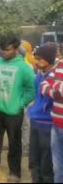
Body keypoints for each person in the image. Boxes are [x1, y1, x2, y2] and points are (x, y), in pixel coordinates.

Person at [0, 36, 35, 183]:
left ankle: (15, 173)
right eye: (2, 49)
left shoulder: (24, 67)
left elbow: (32, 89)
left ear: (16, 49)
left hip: (13, 112)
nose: (4, 52)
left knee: (14, 143)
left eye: (8, 50)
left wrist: (21, 103)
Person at [28, 45, 56, 183]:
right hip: (35, 119)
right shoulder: (39, 74)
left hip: (47, 122)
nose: (36, 62)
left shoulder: (56, 76)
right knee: (34, 157)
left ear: (47, 60)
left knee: (46, 159)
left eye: (39, 59)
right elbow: (35, 94)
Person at [41, 48, 63, 183]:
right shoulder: (60, 65)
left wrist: (55, 87)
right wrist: (57, 89)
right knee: (58, 168)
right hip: (56, 124)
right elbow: (43, 86)